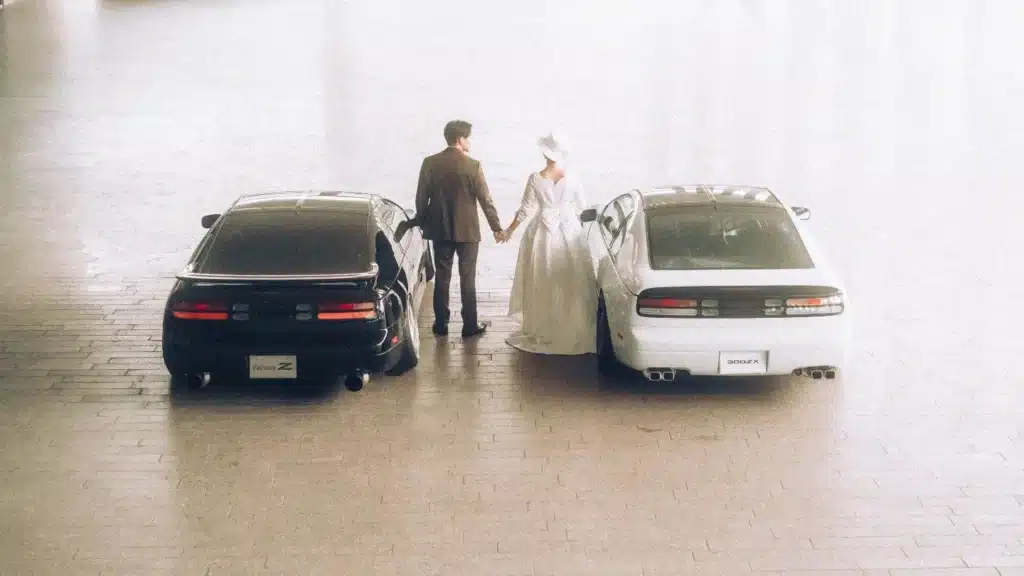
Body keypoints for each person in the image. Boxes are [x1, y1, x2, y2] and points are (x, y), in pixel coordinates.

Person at [402, 120, 504, 339]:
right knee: (467, 278)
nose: (470, 142)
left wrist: (422, 221)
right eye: (468, 138)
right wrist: (496, 227)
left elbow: (421, 198)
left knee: (442, 277)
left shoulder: (430, 163)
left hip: (440, 231)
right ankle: (469, 325)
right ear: (461, 139)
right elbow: (486, 200)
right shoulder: (473, 166)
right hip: (468, 232)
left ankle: (441, 324)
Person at [500, 132, 598, 355]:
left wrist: (509, 231)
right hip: (570, 232)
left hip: (542, 234)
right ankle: (573, 326)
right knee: (571, 279)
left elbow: (525, 209)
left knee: (541, 279)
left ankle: (545, 329)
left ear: (545, 152)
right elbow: (584, 209)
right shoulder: (573, 177)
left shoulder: (536, 178)